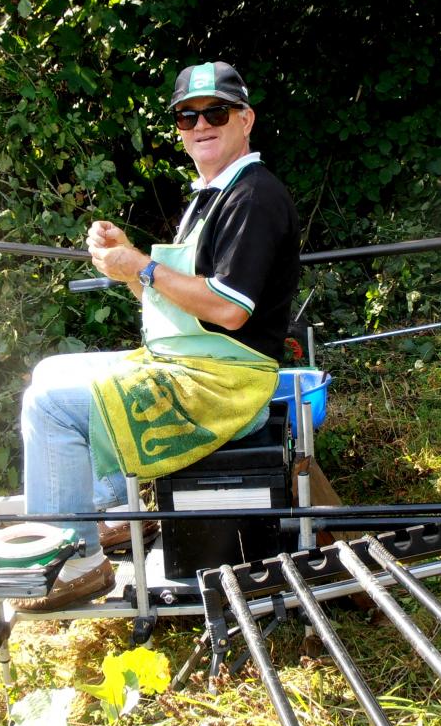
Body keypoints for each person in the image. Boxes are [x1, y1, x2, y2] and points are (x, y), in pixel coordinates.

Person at [18, 61, 300, 609]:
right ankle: (110, 515)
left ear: (246, 120)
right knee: (49, 374)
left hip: (222, 387)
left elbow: (228, 309)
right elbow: (174, 305)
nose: (200, 125)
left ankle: (78, 564)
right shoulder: (213, 195)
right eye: (187, 116)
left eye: (215, 112)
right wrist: (126, 268)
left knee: (51, 404)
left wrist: (142, 265)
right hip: (188, 365)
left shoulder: (254, 197)